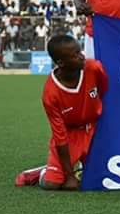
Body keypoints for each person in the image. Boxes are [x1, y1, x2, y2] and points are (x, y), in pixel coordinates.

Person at [15, 35, 108, 190]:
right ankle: (41, 172)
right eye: (75, 55)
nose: (81, 56)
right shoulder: (51, 94)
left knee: (107, 177)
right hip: (70, 135)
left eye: (80, 51)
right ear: (61, 63)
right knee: (52, 184)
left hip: (96, 129)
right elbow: (60, 135)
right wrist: (69, 176)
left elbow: (105, 92)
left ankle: (79, 164)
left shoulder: (93, 68)